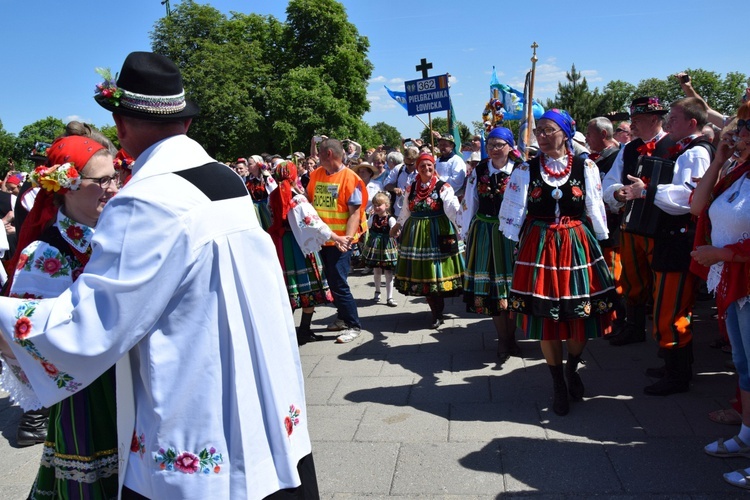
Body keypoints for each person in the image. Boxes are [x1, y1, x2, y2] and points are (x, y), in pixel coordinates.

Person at [0, 52, 318, 499]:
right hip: (262, 405)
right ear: (185, 122)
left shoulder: (144, 200)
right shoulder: (226, 180)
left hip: (197, 424)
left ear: (121, 125)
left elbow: (92, 326)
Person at [1, 134, 120, 498]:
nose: (112, 188)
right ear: (66, 185)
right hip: (86, 394)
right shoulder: (46, 253)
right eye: (100, 181)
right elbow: (18, 338)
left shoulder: (117, 233)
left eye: (115, 177)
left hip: (128, 384)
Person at [499, 109, 615, 416]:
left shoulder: (584, 165)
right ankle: (557, 384)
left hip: (576, 245)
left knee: (579, 323)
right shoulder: (526, 169)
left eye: (549, 130)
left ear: (565, 132)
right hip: (539, 247)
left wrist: (602, 239)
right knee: (548, 322)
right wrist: (513, 244)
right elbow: (513, 211)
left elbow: (593, 205)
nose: (542, 136)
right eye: (539, 131)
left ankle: (572, 367)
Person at [608, 97, 714, 395]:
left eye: (674, 119)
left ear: (691, 123)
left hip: (677, 239)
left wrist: (647, 190)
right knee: (665, 304)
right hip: (667, 237)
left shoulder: (695, 152)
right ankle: (674, 366)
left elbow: (689, 199)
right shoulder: (683, 149)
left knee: (671, 309)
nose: (668, 124)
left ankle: (678, 375)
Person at [692, 104, 750, 490]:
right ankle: (748, 435)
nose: (738, 131)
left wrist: (724, 254)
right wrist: (719, 159)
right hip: (735, 281)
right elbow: (697, 206)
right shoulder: (738, 172)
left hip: (740, 273)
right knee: (744, 365)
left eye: (745, 127)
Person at [602, 97, 677, 349]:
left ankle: (664, 339)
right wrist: (616, 192)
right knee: (632, 278)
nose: (631, 125)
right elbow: (610, 180)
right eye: (632, 120)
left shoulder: (675, 145)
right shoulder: (629, 148)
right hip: (632, 224)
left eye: (637, 120)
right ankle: (634, 328)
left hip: (662, 227)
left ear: (654, 120)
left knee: (663, 284)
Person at [267, 161, 349, 346]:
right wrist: (336, 237)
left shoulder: (271, 196)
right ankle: (304, 330)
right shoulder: (296, 198)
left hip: (281, 245)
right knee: (308, 288)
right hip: (298, 245)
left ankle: (285, 331)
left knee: (289, 288)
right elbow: (314, 223)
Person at [459, 127, 521, 364]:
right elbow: (470, 201)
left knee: (512, 288)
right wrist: (466, 233)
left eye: (499, 145)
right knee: (494, 290)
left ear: (509, 146)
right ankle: (503, 340)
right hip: (485, 232)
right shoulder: (480, 170)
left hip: (511, 234)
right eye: (491, 145)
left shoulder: (521, 168)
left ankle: (511, 337)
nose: (494, 149)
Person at [390, 152, 464, 329]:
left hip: (438, 232)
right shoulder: (411, 188)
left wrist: (461, 228)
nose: (426, 168)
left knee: (435, 271)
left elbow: (452, 210)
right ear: (417, 168)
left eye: (429, 165)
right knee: (424, 273)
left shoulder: (443, 187)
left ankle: (438, 311)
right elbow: (406, 210)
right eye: (422, 165)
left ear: (434, 167)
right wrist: (398, 225)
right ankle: (435, 311)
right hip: (416, 234)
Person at [308, 138, 366, 343]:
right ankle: (342, 319)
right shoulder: (316, 175)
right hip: (323, 240)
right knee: (332, 282)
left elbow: (355, 213)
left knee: (339, 284)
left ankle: (353, 325)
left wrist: (347, 240)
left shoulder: (350, 178)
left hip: (341, 241)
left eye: (319, 153)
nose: (316, 157)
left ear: (328, 154)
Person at [585, 117, 627, 336]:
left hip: (612, 227)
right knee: (602, 274)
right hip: (596, 229)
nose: (586, 138)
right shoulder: (596, 159)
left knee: (613, 274)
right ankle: (607, 318)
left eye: (590, 134)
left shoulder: (617, 158)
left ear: (603, 134)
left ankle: (620, 320)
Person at [361, 192, 398, 307]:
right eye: (374, 205)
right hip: (375, 248)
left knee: (388, 272)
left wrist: (396, 232)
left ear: (386, 205)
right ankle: (377, 291)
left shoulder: (390, 219)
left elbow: (395, 231)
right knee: (376, 270)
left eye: (379, 205)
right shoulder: (373, 217)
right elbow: (367, 226)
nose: (376, 207)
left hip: (387, 248)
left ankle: (390, 297)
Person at [384, 146, 419, 217]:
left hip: (415, 210)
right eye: (406, 164)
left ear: (416, 161)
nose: (408, 166)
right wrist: (394, 189)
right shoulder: (399, 168)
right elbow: (386, 183)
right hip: (399, 210)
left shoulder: (421, 171)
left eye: (411, 164)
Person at [246, 154, 277, 231]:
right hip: (254, 208)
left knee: (269, 228)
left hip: (266, 207)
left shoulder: (266, 177)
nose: (248, 166)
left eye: (250, 164)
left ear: (257, 164)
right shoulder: (249, 179)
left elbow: (274, 192)